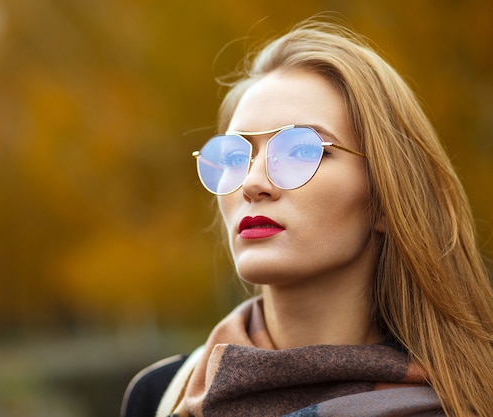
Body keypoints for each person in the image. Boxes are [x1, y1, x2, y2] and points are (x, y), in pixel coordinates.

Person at [121, 18, 493, 417]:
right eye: (234, 156)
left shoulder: (468, 400)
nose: (252, 182)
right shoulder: (163, 395)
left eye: (301, 150)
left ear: (385, 198)